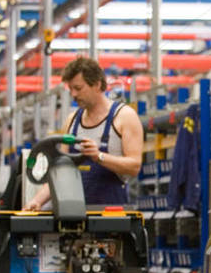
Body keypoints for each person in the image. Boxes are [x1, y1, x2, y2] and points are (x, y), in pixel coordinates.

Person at [26, 56, 143, 210]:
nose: (73, 94)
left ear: (97, 84)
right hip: (73, 213)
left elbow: (134, 166)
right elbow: (61, 172)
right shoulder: (72, 120)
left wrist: (99, 156)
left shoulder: (124, 117)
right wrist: (37, 201)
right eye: (71, 89)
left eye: (78, 88)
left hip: (111, 214)